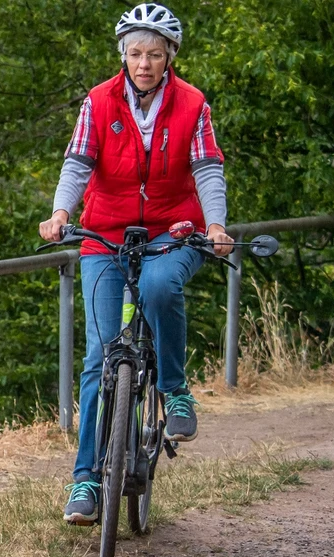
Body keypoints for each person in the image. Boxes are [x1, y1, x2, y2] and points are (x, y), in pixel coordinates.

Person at [39, 3, 231, 525]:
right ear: (123, 55)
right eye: (134, 53)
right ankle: (84, 480)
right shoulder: (99, 101)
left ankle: (174, 391)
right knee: (100, 357)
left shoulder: (192, 104)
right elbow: (78, 162)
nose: (143, 63)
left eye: (154, 53)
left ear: (170, 56)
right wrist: (61, 213)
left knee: (160, 287)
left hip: (176, 231)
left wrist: (214, 226)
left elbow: (208, 168)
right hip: (105, 233)